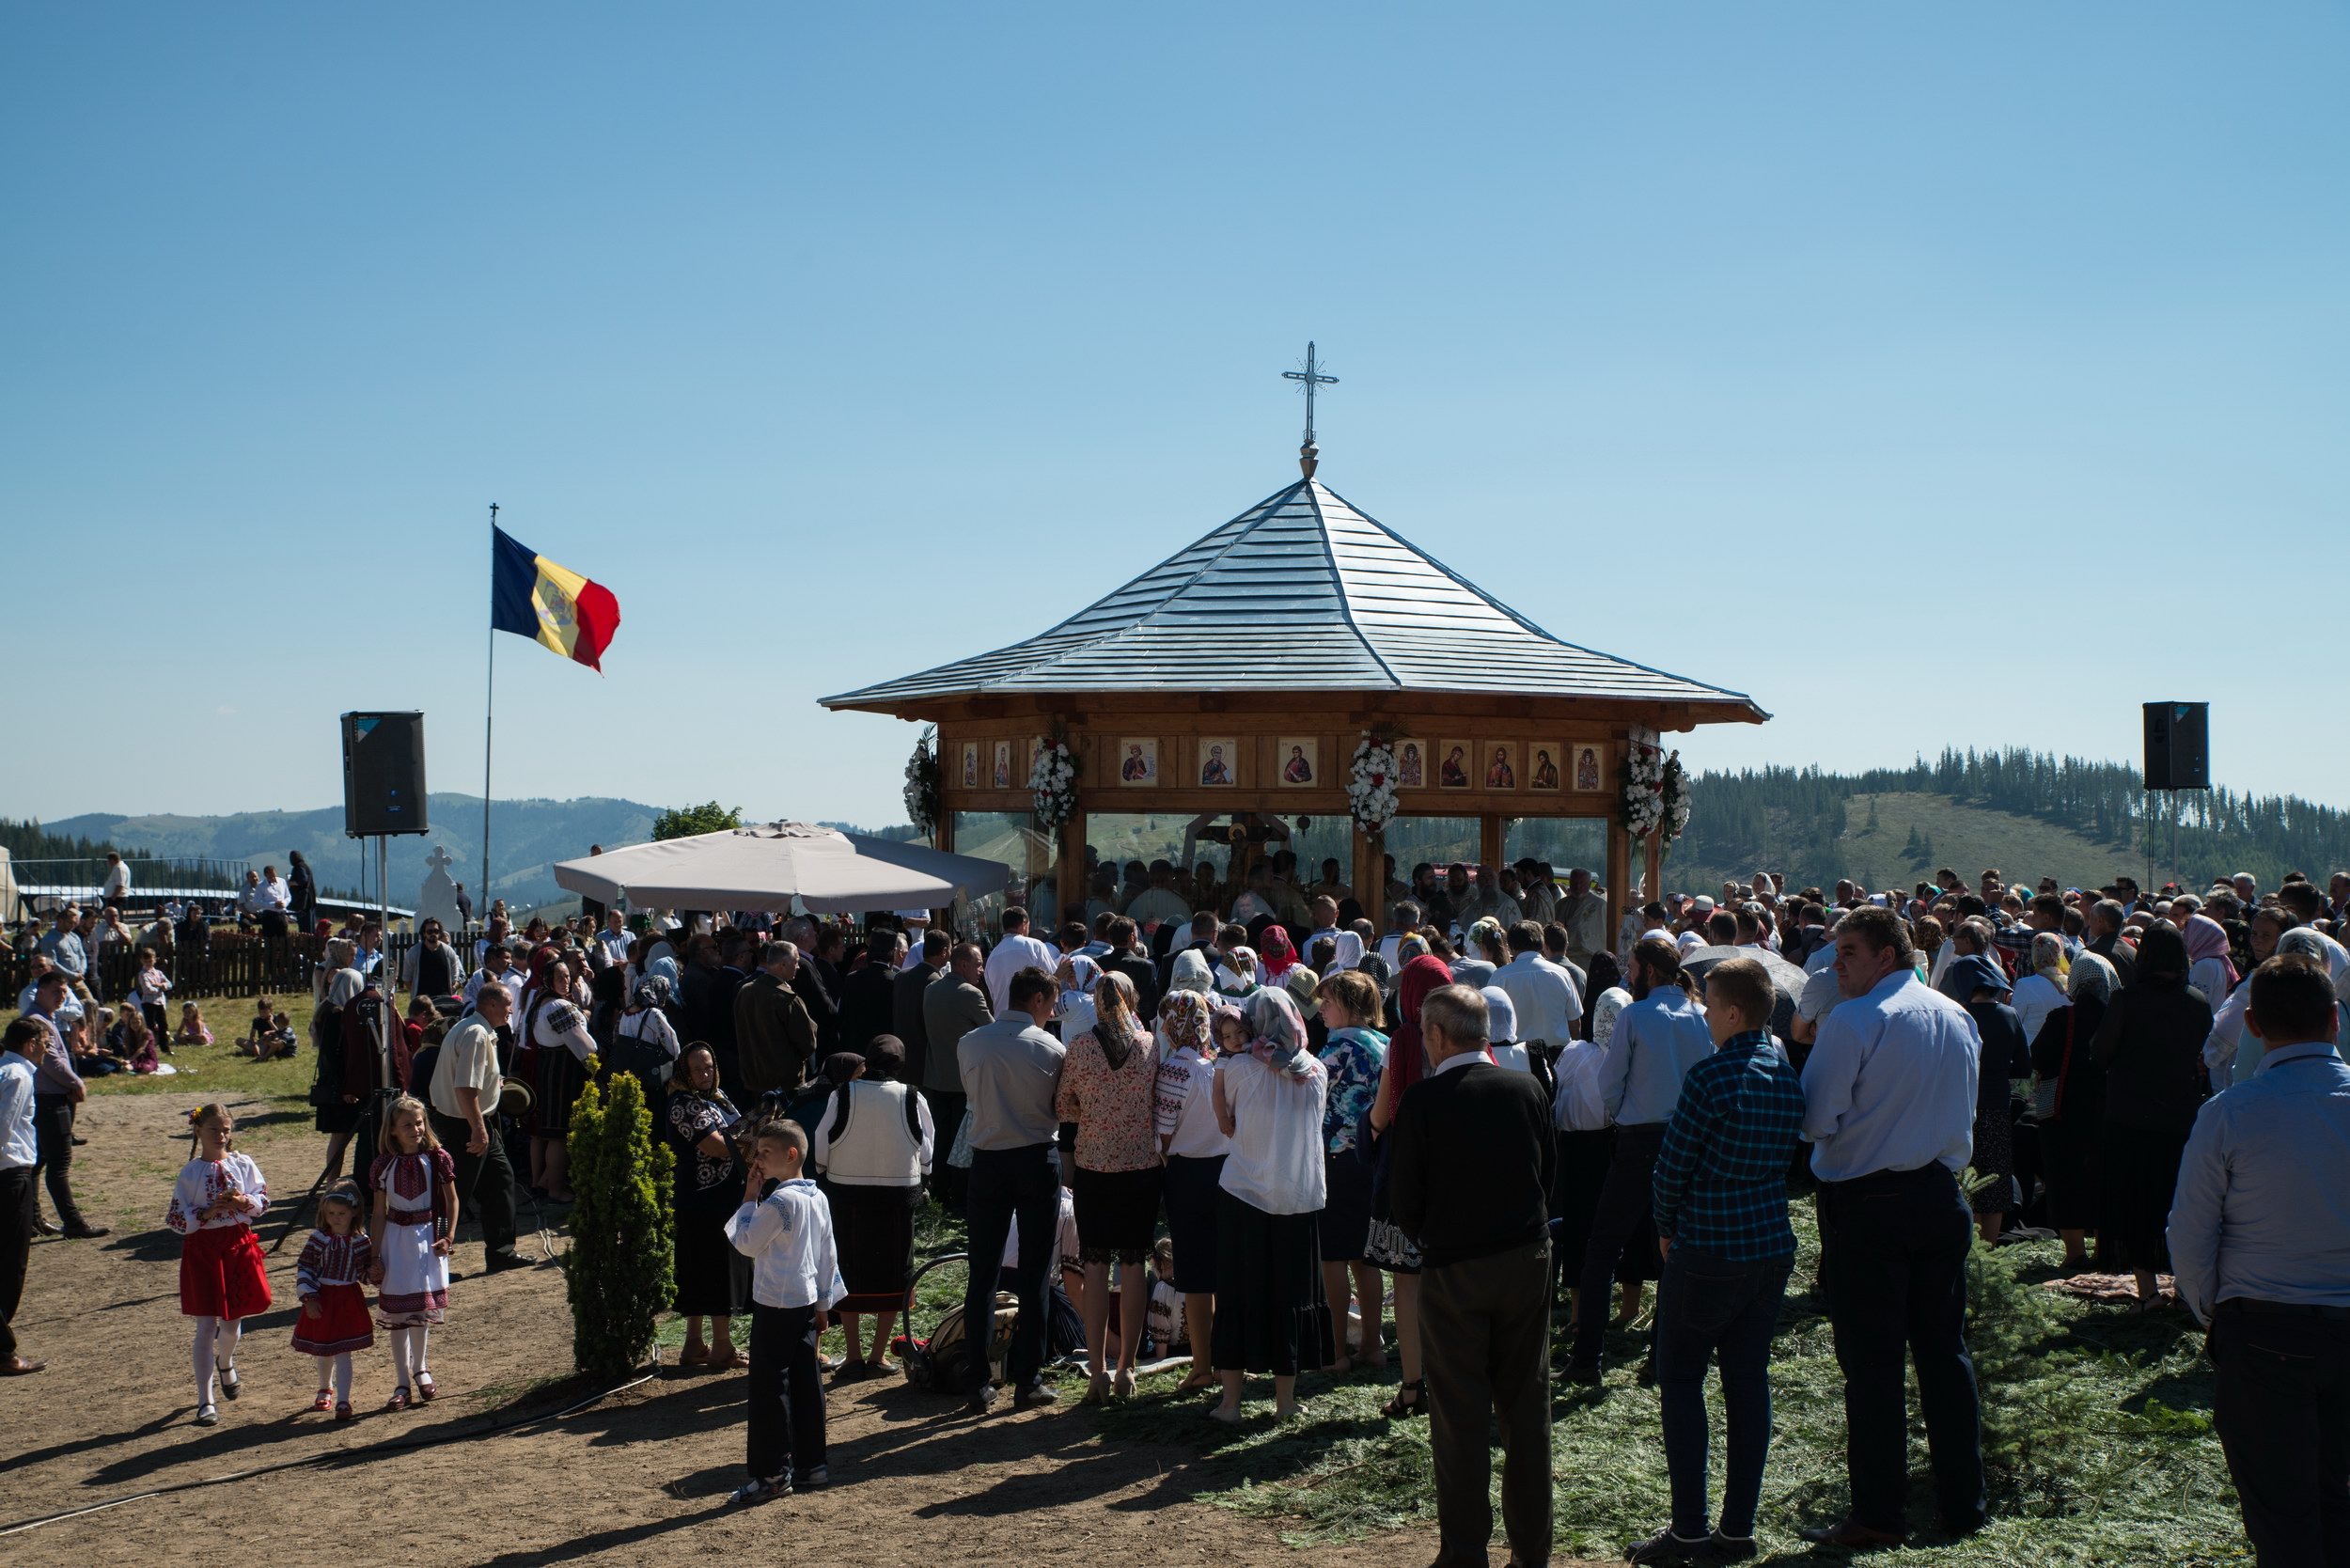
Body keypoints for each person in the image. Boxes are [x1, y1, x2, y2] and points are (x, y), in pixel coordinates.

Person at [1797, 906, 1985, 1548]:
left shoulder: (1855, 1019)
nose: (1838, 963)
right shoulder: (1956, 1014)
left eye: (1849, 951)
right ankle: (1966, 1504)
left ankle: (1878, 1516)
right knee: (1944, 1356)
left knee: (1875, 1367)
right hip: (1938, 1196)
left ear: (1887, 955)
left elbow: (1817, 1117)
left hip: (1871, 1205)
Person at [2169, 956, 2350, 1563]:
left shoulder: (2229, 1114)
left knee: (2281, 1517)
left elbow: (2190, 1235)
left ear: (2249, 1024)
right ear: (2334, 1019)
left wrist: (2213, 1312)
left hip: (2264, 1327)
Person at [1630, 957, 1807, 1565]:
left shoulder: (1710, 1077)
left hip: (1707, 1245)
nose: (1704, 1013)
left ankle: (1687, 1531)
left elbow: (1669, 1170)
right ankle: (1736, 1530)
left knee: (1680, 1379)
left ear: (1732, 1013)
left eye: (1708, 1004)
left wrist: (1665, 1229)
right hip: (1769, 1247)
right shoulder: (1785, 1074)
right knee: (1747, 1383)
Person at [1389, 983, 1555, 1568]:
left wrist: (1436, 1234)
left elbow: (1403, 1199)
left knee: (1459, 1416)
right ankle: (1532, 1552)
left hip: (1455, 1265)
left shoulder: (1424, 1102)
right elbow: (1547, 1173)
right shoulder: (1528, 1087)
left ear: (1436, 1036)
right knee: (1526, 1408)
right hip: (1526, 1258)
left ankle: (1464, 1552)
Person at [1566, 936, 1714, 1383]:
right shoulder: (1699, 1016)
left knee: (1603, 1248)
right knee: (1674, 1249)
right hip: (1684, 1140)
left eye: (1632, 966)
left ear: (1648, 971)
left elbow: (1610, 1081)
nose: (1628, 974)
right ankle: (1661, 1355)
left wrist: (1625, 1111)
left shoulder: (1636, 1014)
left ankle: (1587, 1359)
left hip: (1638, 1140)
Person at [1210, 989, 1332, 1422]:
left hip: (1244, 1192)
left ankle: (1230, 1403)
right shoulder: (1316, 1071)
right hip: (1297, 1198)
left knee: (1239, 1293)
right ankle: (1285, 1402)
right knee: (1290, 1294)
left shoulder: (1238, 1068)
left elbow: (1226, 1123)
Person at [956, 965, 1067, 1414]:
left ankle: (979, 1379)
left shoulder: (971, 1042)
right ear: (1038, 999)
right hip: (1036, 1157)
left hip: (988, 1158)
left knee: (982, 1271)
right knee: (1036, 1271)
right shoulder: (1052, 1048)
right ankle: (1028, 1378)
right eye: (1052, 1001)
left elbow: (971, 1097)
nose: (1054, 1010)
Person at [2092, 921, 2213, 1309]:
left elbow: (2100, 1053)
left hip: (2129, 1116)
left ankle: (2147, 1293)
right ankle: (2183, 1288)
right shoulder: (2197, 1002)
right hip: (2179, 1118)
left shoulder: (2127, 1000)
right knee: (2176, 1203)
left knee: (2134, 1203)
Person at [726, 1120, 845, 1505]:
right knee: (807, 1382)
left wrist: (749, 1196)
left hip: (777, 1303)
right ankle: (813, 1464)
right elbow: (829, 1255)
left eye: (764, 1152)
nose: (757, 1159)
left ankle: (772, 1474)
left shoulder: (780, 1201)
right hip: (807, 1301)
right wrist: (824, 1304)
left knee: (768, 1387)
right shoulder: (817, 1197)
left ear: (790, 1154)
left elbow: (746, 1242)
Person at [1053, 972, 1160, 1402]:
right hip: (1141, 1168)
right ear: (1131, 1001)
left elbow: (1062, 1106)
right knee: (1134, 1265)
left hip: (1094, 1167)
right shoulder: (1150, 1046)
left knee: (1095, 1265)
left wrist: (1091, 1110)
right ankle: (1127, 1368)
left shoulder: (1079, 1048)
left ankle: (1096, 1369)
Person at [812, 1034, 932, 1379]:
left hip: (847, 1195)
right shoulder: (912, 1096)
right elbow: (926, 1151)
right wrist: (919, 1171)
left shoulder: (843, 1094)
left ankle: (852, 1356)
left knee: (848, 1270)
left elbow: (821, 1146)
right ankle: (878, 1356)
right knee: (894, 1275)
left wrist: (829, 1169)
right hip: (897, 1197)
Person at [1360, 953, 1448, 1417]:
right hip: (1454, 1177)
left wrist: (1368, 1134)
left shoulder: (1404, 1039)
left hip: (1410, 1175)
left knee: (1408, 1286)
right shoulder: (1468, 1034)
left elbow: (1381, 1113)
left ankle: (1413, 1386)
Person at [165, 1104, 273, 1425]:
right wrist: (206, 1213)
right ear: (198, 1131)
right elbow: (174, 1218)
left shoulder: (243, 1163)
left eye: (226, 1130)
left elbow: (263, 1201)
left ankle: (225, 1362)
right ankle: (205, 1400)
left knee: (230, 1325)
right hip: (203, 1250)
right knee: (205, 1326)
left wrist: (243, 1202)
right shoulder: (190, 1173)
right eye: (214, 1130)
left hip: (236, 1245)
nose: (222, 1136)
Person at [1313, 969, 1388, 1372]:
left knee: (1332, 1259)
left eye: (1327, 1001)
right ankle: (1372, 1344)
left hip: (1335, 1159)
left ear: (1347, 1005)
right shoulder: (1384, 1044)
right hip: (1370, 1159)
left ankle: (1337, 1350)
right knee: (1366, 1257)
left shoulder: (1337, 1050)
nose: (1321, 1008)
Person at [425, 983, 526, 1275]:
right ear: (491, 1004)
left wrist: (494, 1084)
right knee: (451, 1193)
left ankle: (501, 1251)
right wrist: (478, 1130)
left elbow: (471, 1081)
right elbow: (465, 1088)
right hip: (465, 1126)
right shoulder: (477, 1034)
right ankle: (433, 1263)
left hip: (474, 1121)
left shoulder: (473, 1028)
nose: (511, 1010)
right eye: (508, 1003)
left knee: (501, 1181)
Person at [1153, 989, 1227, 1392]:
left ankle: (1202, 1365)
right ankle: (1227, 1361)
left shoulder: (1172, 1072)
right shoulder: (1218, 1066)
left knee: (1197, 1277)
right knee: (1225, 1271)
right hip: (1226, 1174)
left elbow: (1162, 1136)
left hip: (1186, 1176)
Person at [368, 1095, 456, 1409]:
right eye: (407, 1124)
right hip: (396, 1240)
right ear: (392, 1130)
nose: (415, 1129)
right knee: (398, 1314)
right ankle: (401, 1380)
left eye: (419, 1122)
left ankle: (421, 1368)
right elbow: (379, 1213)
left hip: (427, 1240)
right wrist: (375, 1255)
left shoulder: (437, 1158)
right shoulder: (383, 1165)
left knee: (420, 1310)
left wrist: (447, 1235)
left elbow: (449, 1201)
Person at [667, 1044, 751, 1372]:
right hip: (703, 1202)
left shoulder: (716, 1098)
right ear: (684, 1073)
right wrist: (753, 1141)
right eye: (698, 1070)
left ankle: (694, 1344)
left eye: (709, 1067)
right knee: (713, 1271)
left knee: (702, 1270)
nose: (706, 1074)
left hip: (718, 1198)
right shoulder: (682, 1104)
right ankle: (722, 1348)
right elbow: (717, 1147)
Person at [2031, 953, 2114, 1273]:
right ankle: (2104, 1250)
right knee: (2103, 1181)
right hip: (2107, 1111)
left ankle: (2075, 1253)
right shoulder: (2114, 1016)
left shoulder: (2062, 1017)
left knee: (2065, 1180)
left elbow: (2036, 1057)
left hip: (2063, 1112)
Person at [1948, 951, 2030, 1243]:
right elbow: (2023, 1066)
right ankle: (1990, 1247)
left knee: (1963, 1175)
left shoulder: (1957, 1014)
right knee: (1994, 1179)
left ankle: (1967, 1244)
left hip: (1961, 1104)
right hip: (1996, 1103)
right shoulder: (2008, 1015)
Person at [290, 1184, 375, 1419]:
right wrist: (309, 1298)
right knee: (325, 1350)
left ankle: (343, 1401)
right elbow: (305, 1266)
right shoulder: (318, 1239)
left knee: (344, 1351)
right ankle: (324, 1386)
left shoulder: (361, 1242)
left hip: (348, 1299)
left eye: (342, 1214)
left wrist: (377, 1274)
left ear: (354, 1213)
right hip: (323, 1298)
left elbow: (363, 1274)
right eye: (332, 1214)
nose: (336, 1219)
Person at [523, 962, 597, 1203]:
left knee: (554, 1131)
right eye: (559, 977)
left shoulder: (541, 1002)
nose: (565, 981)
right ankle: (554, 1189)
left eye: (567, 976)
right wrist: (597, 1063)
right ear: (547, 980)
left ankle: (545, 1181)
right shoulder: (557, 1006)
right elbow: (585, 1047)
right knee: (559, 1133)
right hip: (562, 1071)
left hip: (551, 1068)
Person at [0, 1020, 45, 1374]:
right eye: (44, 1041)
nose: (47, 1048)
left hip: (10, 1175)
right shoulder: (18, 1074)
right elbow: (3, 1128)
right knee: (11, 1265)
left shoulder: (6, 1069)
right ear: (30, 1043)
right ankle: (2, 1351)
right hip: (9, 1176)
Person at [737, 940, 817, 1099]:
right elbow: (808, 1043)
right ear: (783, 964)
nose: (799, 966)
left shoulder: (745, 991)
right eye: (796, 961)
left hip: (753, 1080)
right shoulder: (785, 997)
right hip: (785, 1084)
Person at [983, 907, 1058, 1016]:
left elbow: (993, 993)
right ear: (1025, 924)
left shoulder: (993, 955)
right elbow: (1050, 980)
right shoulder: (1035, 946)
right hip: (1030, 1020)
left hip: (1001, 1020)